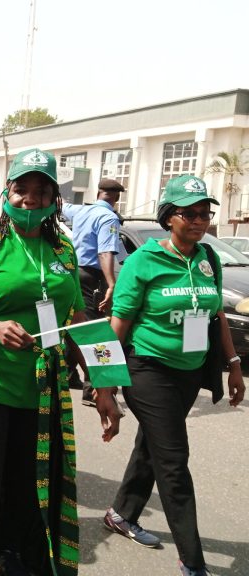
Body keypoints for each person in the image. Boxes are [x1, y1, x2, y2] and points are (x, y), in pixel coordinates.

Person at [0, 148, 122, 576]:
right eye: (21, 190)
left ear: (54, 199)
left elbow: (80, 321)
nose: (30, 199)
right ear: (6, 194)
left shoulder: (63, 250)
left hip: (43, 395)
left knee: (32, 490)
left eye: (41, 190)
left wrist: (105, 388)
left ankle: (18, 560)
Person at [104, 175, 245, 576]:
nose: (200, 220)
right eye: (190, 213)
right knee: (174, 461)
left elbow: (216, 313)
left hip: (188, 373)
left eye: (205, 213)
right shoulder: (143, 262)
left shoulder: (209, 258)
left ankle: (121, 513)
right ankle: (192, 561)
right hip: (148, 370)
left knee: (153, 446)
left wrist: (233, 366)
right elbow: (116, 326)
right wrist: (105, 386)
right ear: (169, 217)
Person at [62, 178, 125, 406]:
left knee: (78, 323)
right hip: (92, 277)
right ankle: (92, 391)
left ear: (99, 193)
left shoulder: (80, 211)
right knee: (94, 331)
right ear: (116, 198)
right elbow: (105, 252)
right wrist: (111, 284)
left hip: (74, 273)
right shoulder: (108, 217)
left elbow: (61, 205)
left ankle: (69, 374)